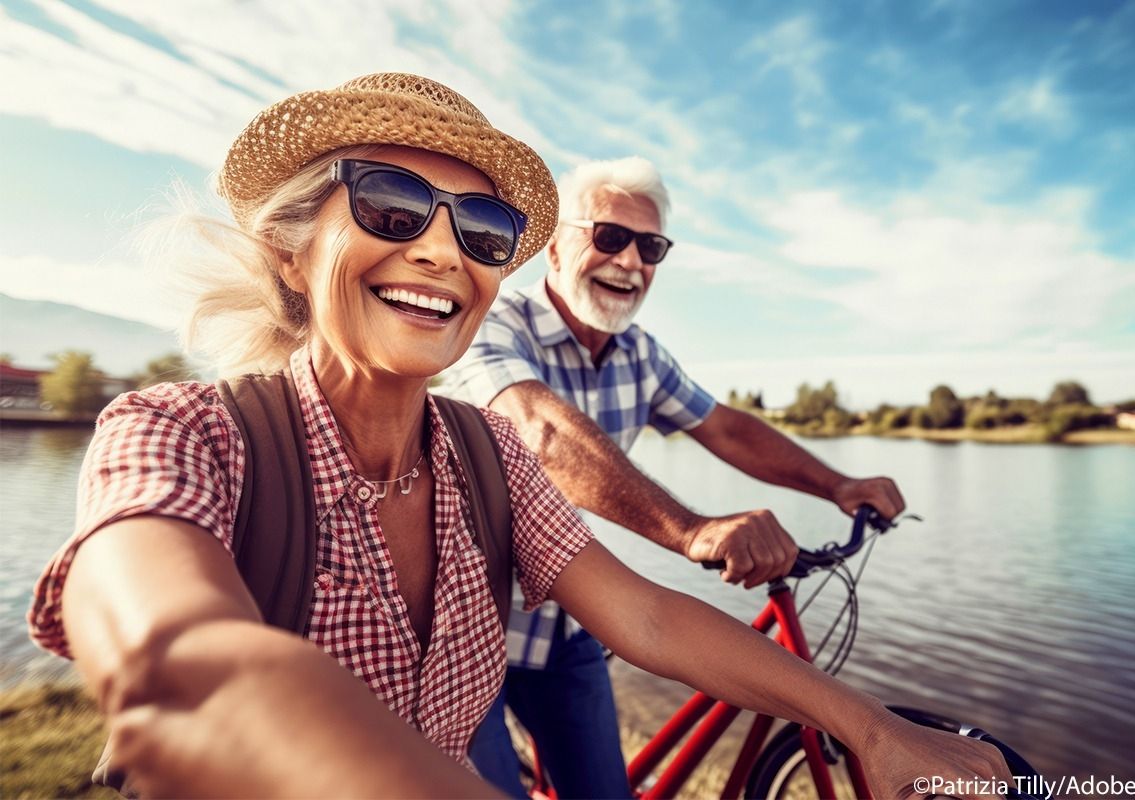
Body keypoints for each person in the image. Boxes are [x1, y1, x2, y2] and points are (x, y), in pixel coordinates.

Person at [28, 74, 1008, 799]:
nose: (440, 249)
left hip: (558, 646)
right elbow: (181, 666)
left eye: (483, 229)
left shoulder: (482, 457)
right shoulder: (177, 433)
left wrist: (867, 725)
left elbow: (649, 615)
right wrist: (693, 527)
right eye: (391, 205)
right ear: (292, 252)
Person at [444, 156, 909, 797]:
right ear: (554, 248)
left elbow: (725, 428)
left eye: (651, 247)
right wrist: (692, 530)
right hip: (463, 625)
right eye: (610, 236)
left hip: (568, 622)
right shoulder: (492, 322)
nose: (630, 261)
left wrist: (837, 485)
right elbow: (540, 434)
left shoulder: (641, 355)